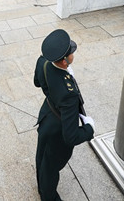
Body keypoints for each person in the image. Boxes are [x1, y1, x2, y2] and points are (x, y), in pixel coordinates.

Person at [34, 29, 95, 201]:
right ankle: (48, 196)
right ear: (63, 61)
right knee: (51, 167)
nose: (73, 54)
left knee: (42, 156)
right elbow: (71, 137)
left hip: (46, 117)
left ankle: (41, 185)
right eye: (71, 53)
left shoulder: (42, 61)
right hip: (58, 130)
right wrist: (89, 128)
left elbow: (37, 82)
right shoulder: (68, 95)